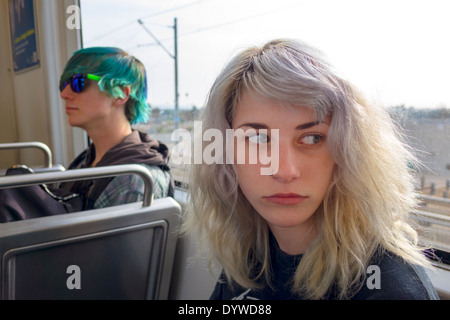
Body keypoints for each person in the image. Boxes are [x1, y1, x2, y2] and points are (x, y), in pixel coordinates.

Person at [182, 39, 439, 300]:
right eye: (258, 139)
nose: (284, 171)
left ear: (348, 151)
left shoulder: (390, 290)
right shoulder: (252, 255)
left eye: (312, 138)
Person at [59, 47, 174, 210]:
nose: (64, 93)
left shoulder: (133, 182)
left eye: (78, 82)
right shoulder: (85, 161)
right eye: (63, 84)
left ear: (120, 93)